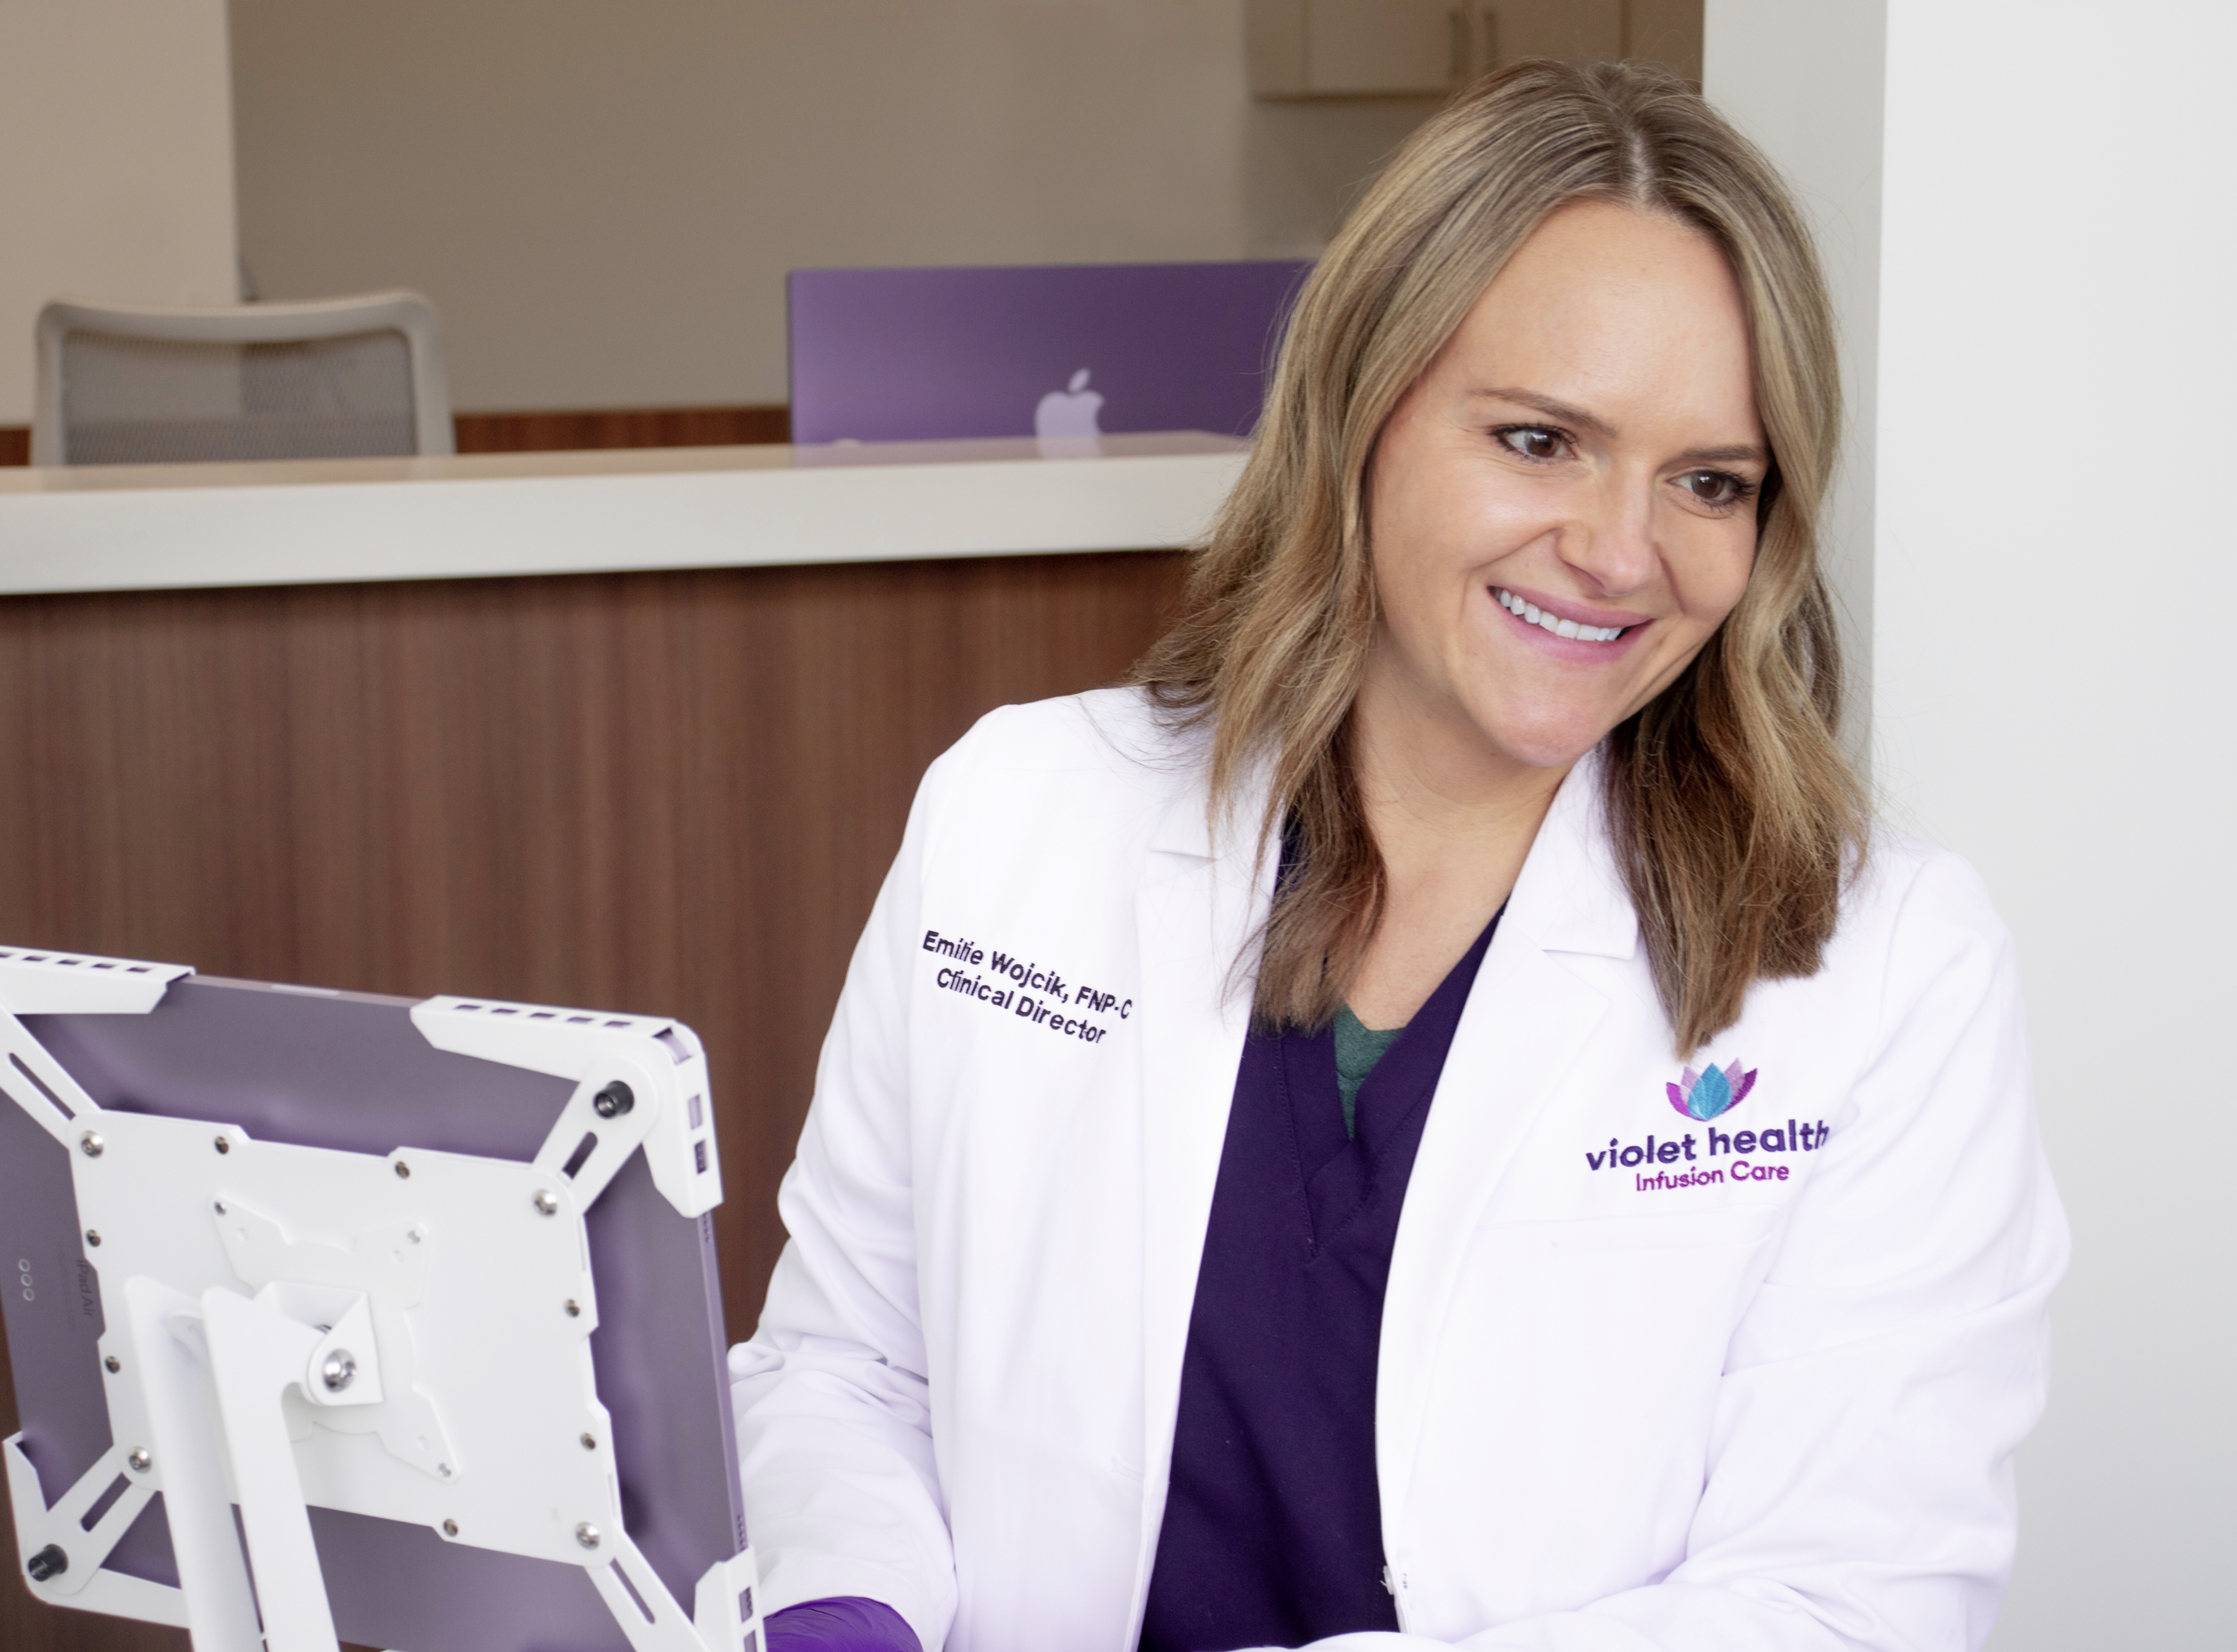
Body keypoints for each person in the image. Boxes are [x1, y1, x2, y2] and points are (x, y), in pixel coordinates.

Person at [732, 59, 2066, 1652]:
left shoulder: (1882, 967)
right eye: (1540, 439)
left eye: (1710, 481)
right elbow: (849, 1369)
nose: (1622, 550)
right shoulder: (1019, 815)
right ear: (1363, 410)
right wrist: (840, 1606)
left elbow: (1850, 1603)